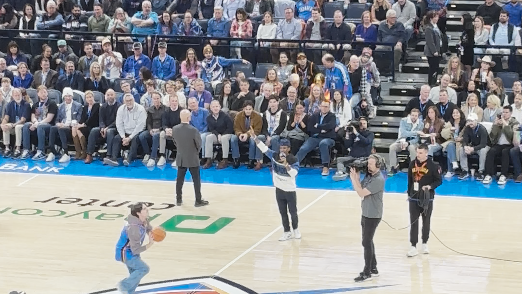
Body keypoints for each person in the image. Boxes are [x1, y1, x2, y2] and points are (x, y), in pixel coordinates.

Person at [250, 130, 301, 241]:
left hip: (290, 190)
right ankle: (286, 232)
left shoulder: (293, 160)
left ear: (288, 149)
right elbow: (263, 148)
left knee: (293, 212)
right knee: (283, 213)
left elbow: (294, 174)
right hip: (279, 190)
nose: (282, 150)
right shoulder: (274, 155)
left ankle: (296, 230)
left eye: (284, 148)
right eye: (281, 148)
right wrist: (255, 137)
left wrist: (286, 165)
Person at [350, 154, 386, 282]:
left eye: (371, 164)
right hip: (366, 212)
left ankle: (367, 272)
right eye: (368, 163)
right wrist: (356, 177)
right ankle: (374, 268)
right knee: (368, 240)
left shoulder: (378, 179)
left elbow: (360, 193)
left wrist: (353, 178)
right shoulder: (370, 176)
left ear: (378, 165)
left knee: (366, 242)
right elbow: (361, 187)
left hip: (373, 215)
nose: (368, 166)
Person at [407, 144, 442, 257]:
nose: (418, 155)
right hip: (414, 197)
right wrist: (409, 193)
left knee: (426, 221)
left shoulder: (433, 165)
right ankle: (413, 245)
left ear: (426, 152)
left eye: (420, 153)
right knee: (413, 221)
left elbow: (438, 181)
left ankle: (425, 242)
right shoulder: (412, 163)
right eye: (417, 152)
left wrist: (430, 187)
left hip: (427, 198)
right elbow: (409, 180)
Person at [172, 109, 209, 207]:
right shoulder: (193, 130)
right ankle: (198, 200)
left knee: (179, 180)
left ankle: (178, 200)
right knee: (196, 180)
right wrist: (195, 152)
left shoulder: (175, 129)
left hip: (181, 157)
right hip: (192, 157)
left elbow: (175, 142)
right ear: (189, 118)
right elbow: (199, 144)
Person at [115, 202, 154, 294]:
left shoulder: (143, 220)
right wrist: (149, 244)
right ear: (138, 213)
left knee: (135, 275)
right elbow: (135, 250)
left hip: (131, 251)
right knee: (143, 269)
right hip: (125, 253)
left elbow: (148, 228)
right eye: (144, 209)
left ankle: (129, 292)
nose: (147, 209)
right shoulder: (133, 228)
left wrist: (152, 234)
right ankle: (124, 284)